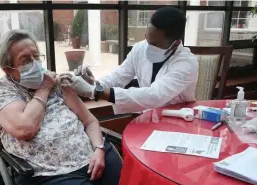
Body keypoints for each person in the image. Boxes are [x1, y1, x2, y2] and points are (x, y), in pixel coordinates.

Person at [0, 29, 162, 185]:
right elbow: (25, 128)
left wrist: (99, 149)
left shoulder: (58, 83)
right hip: (51, 171)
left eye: (36, 57)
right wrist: (43, 89)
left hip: (92, 154)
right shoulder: (4, 91)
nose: (35, 64)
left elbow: (90, 122)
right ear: (10, 70)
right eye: (25, 61)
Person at [60, 7, 199, 115]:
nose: (148, 47)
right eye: (147, 39)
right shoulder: (140, 48)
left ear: (175, 43)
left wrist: (94, 92)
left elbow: (155, 96)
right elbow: (119, 76)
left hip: (179, 119)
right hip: (148, 117)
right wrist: (95, 84)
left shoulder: (187, 64)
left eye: (155, 44)